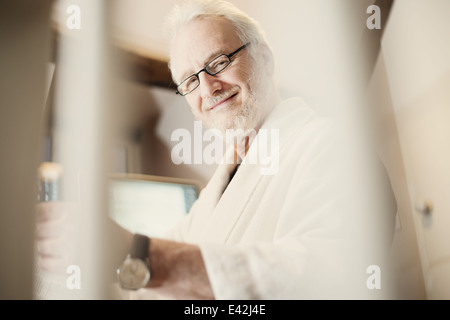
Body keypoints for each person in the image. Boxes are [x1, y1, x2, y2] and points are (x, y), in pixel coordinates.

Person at [36, 0, 396, 299]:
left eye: (219, 62)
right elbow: (149, 281)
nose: (208, 88)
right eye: (190, 80)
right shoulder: (220, 187)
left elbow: (331, 273)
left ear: (265, 60)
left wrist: (138, 254)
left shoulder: (330, 146)